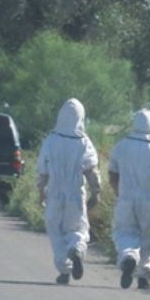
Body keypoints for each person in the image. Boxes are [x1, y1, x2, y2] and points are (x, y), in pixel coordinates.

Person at [108, 109, 150, 290]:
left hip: (126, 198)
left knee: (124, 232)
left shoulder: (121, 147)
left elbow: (113, 174)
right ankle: (144, 276)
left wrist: (120, 193)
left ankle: (129, 256)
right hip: (149, 199)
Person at [36, 98, 100, 285]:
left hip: (54, 193)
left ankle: (64, 269)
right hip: (75, 194)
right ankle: (77, 249)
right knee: (78, 229)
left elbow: (42, 172)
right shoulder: (84, 142)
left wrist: (41, 192)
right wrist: (96, 192)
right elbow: (91, 170)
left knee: (55, 231)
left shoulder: (51, 140)